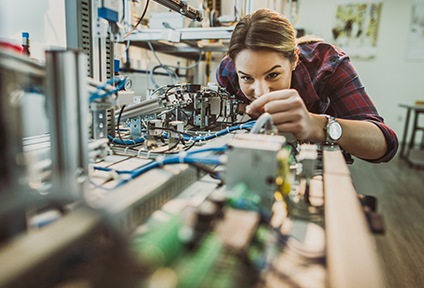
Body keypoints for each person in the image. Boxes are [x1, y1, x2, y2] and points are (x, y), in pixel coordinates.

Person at [216, 8, 397, 163]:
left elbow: (384, 144)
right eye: (247, 78)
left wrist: (316, 125)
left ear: (295, 58)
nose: (261, 92)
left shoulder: (329, 65)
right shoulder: (228, 71)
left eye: (273, 75)